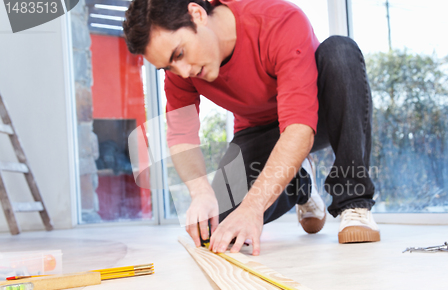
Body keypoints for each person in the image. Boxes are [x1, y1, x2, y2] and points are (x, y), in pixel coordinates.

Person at [123, 0, 380, 255]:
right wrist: (200, 192)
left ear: (197, 14)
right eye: (168, 67)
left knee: (340, 51)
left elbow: (298, 128)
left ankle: (354, 202)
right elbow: (181, 136)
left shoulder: (277, 20)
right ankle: (302, 181)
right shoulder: (180, 72)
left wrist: (254, 207)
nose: (182, 71)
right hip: (259, 130)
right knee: (220, 222)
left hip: (315, 114)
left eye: (179, 54)